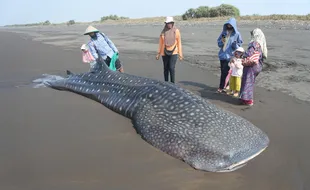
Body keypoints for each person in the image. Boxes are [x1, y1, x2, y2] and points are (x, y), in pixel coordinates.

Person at [239, 28, 268, 106]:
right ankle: (245, 98)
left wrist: (242, 55)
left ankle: (247, 100)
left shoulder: (254, 43)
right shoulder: (261, 44)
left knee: (247, 82)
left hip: (251, 66)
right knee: (250, 82)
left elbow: (249, 53)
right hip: (257, 66)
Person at [217, 17, 243, 93]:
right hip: (222, 55)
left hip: (231, 56)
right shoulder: (224, 33)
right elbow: (219, 43)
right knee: (223, 72)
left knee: (228, 72)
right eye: (228, 24)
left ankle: (224, 87)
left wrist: (235, 45)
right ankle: (224, 86)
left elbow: (240, 45)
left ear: (233, 25)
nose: (229, 26)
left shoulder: (237, 34)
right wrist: (222, 42)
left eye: (230, 24)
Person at [156, 16, 183, 83]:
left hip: (174, 52)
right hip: (164, 52)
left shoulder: (176, 31)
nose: (169, 24)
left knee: (171, 68)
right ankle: (166, 83)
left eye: (170, 23)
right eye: (168, 23)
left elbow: (179, 43)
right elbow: (160, 43)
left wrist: (180, 54)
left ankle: (172, 83)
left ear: (172, 23)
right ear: (166, 24)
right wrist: (158, 53)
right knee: (166, 68)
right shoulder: (163, 32)